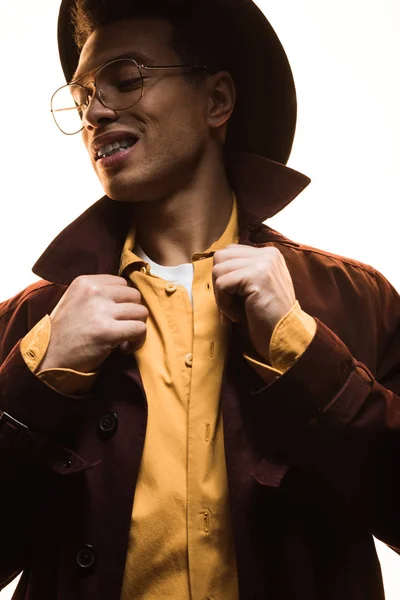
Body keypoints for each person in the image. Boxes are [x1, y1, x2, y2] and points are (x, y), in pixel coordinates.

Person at [1, 0, 400, 598]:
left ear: (216, 101)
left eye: (126, 77)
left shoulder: (354, 300)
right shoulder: (33, 324)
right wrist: (34, 386)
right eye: (82, 96)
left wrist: (305, 355)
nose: (96, 111)